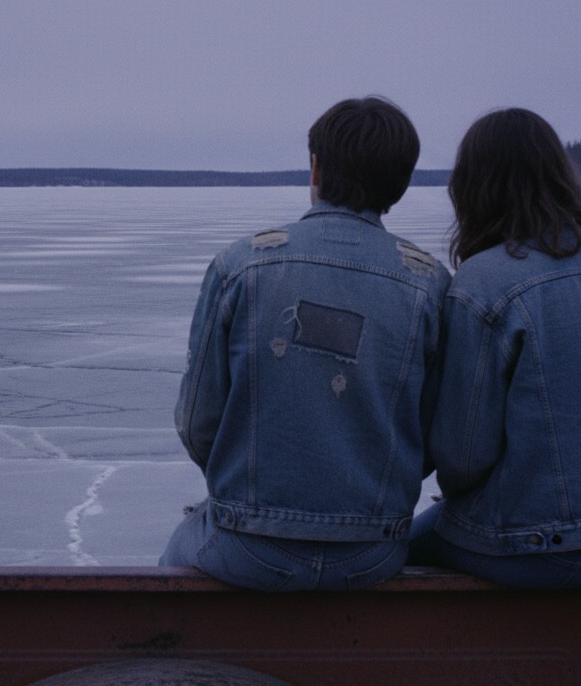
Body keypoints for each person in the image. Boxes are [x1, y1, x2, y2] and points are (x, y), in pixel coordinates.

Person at [159, 97, 451, 591]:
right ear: (400, 184)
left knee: (173, 563)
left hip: (249, 546)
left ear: (315, 168)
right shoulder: (430, 285)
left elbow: (199, 421)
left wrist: (253, 497)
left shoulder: (242, 266)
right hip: (372, 551)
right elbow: (429, 432)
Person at [409, 108, 581, 588]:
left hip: (537, 547)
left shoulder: (486, 283)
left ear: (473, 186)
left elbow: (461, 457)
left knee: (398, 549)